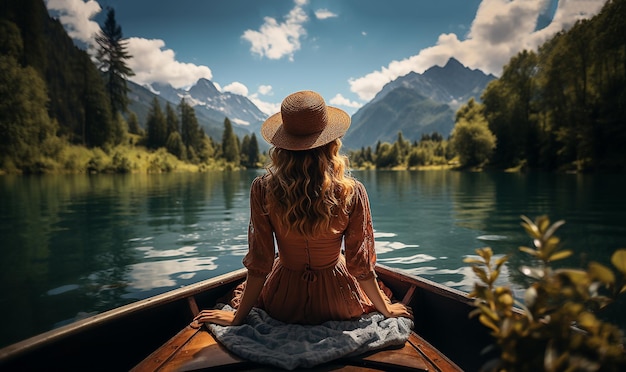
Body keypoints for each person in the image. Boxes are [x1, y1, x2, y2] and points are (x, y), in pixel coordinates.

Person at [194, 90, 412, 327]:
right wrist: (386, 310)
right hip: (339, 300)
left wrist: (237, 317)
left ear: (282, 145)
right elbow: (360, 267)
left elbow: (260, 265)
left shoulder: (262, 189)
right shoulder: (352, 192)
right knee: (383, 290)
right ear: (331, 143)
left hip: (282, 302)